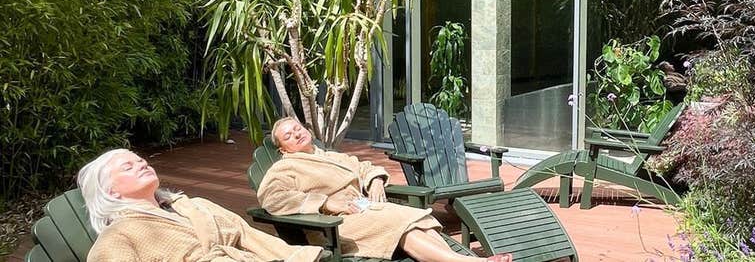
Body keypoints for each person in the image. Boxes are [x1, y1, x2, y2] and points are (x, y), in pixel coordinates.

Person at [257, 118, 512, 262]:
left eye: (297, 128)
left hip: (363, 211)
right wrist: (324, 203)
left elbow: (363, 166)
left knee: (418, 218)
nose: (296, 134)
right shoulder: (285, 168)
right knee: (398, 222)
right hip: (333, 226)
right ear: (283, 149)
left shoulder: (327, 155)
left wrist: (376, 179)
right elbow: (271, 198)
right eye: (288, 136)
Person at [78, 148, 326, 262]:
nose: (142, 164)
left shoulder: (193, 205)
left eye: (141, 161)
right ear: (109, 190)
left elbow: (246, 233)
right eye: (128, 167)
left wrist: (296, 255)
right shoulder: (119, 235)